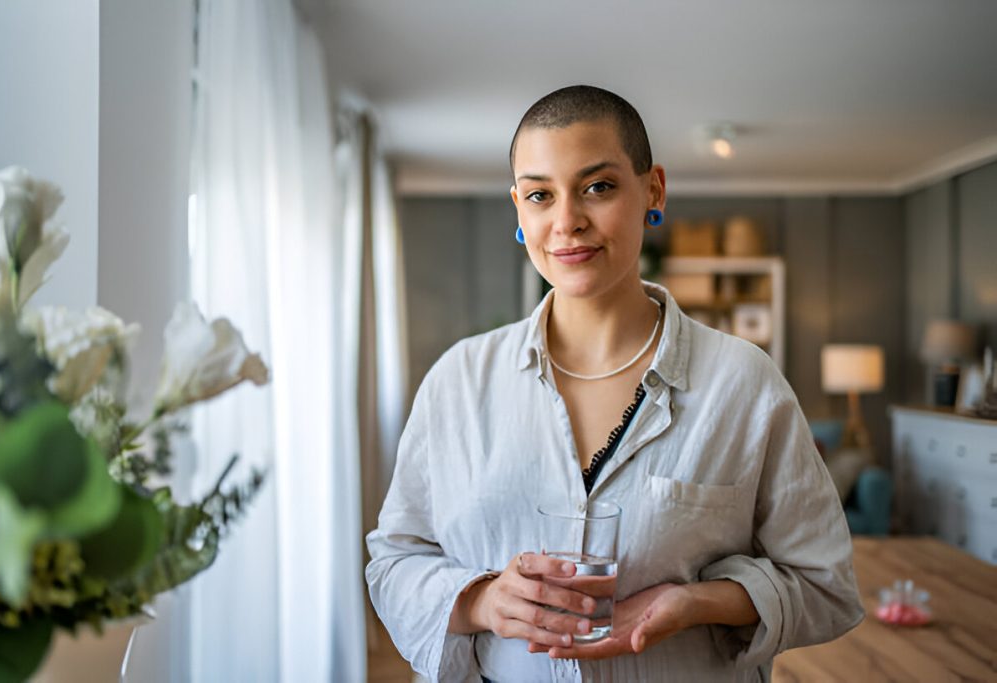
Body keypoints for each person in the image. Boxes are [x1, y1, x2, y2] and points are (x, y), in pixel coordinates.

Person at [366, 85, 864, 682]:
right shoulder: (456, 383)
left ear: (652, 189)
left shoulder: (743, 384)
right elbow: (395, 559)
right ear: (518, 209)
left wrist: (696, 604)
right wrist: (480, 600)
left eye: (597, 187)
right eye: (540, 195)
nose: (568, 222)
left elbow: (826, 584)